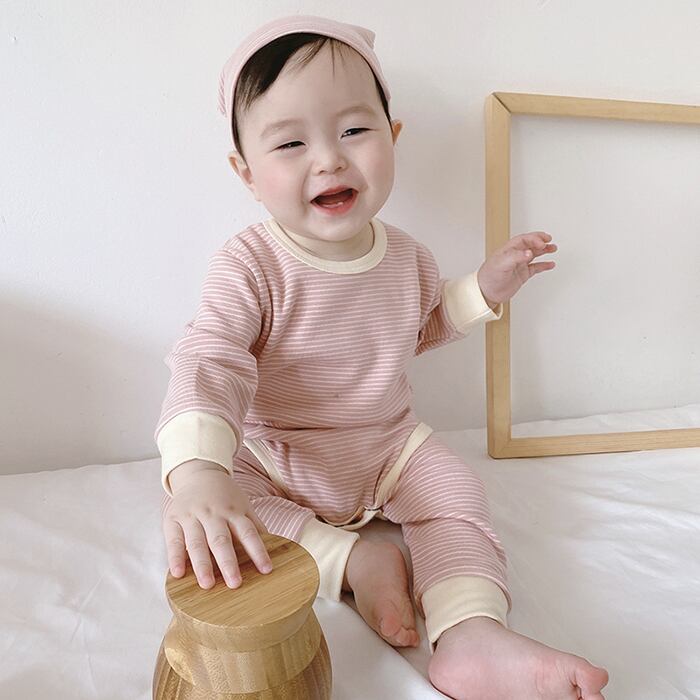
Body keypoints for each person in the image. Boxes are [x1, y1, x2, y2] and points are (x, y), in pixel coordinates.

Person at [155, 14, 609, 700]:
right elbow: (211, 358)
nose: (328, 160)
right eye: (291, 142)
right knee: (221, 515)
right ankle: (351, 563)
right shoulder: (250, 264)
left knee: (456, 495)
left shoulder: (407, 256)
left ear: (392, 137)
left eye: (353, 131)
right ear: (246, 173)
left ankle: (470, 633)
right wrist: (196, 470)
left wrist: (483, 289)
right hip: (280, 456)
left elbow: (421, 325)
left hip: (388, 446)